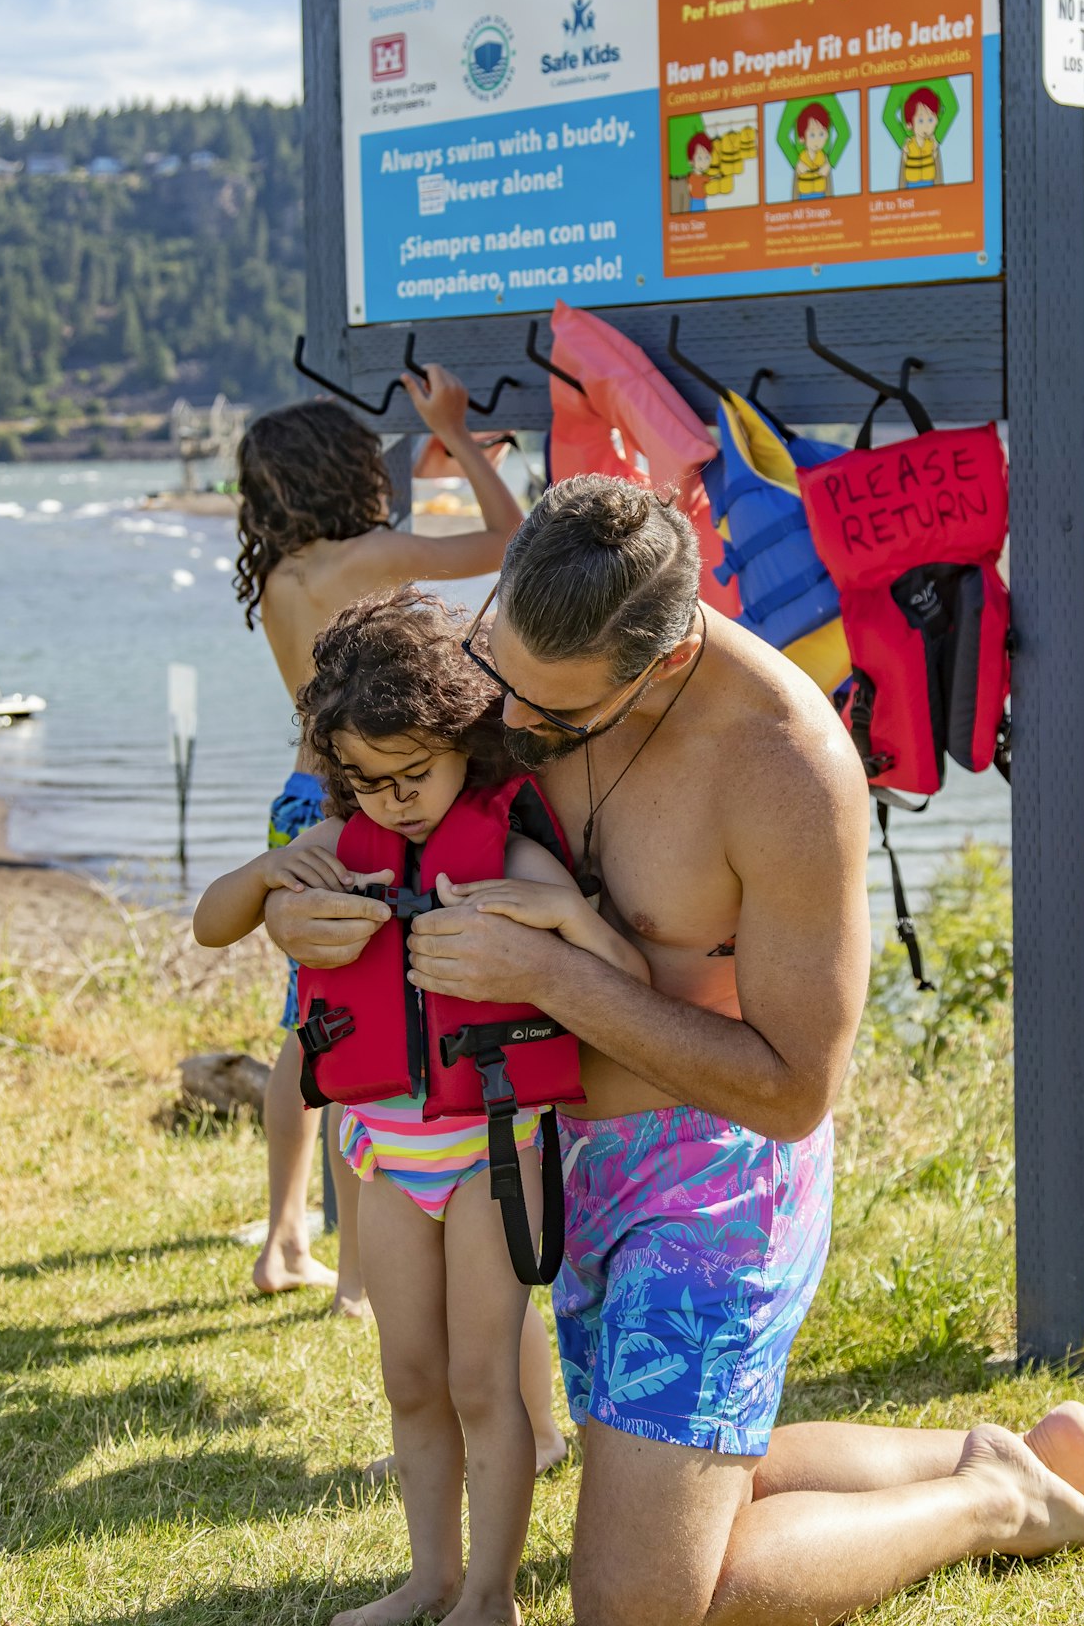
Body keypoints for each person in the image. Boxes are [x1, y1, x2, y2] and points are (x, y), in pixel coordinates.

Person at [270, 475, 1084, 1626]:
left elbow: (791, 1087)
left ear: (659, 665)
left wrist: (554, 975)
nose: (506, 726)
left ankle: (994, 1494)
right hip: (556, 1154)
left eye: (553, 717)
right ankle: (1024, 1446)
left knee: (633, 1602)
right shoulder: (523, 672)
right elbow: (371, 814)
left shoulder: (783, 765)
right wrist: (294, 907)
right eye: (498, 672)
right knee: (680, 1490)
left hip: (710, 1183)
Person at [198, 588, 647, 1626]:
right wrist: (271, 869)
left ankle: (489, 1595)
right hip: (381, 1154)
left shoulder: (513, 858)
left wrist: (567, 918)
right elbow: (211, 920)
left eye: (416, 774)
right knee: (409, 1377)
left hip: (493, 1149)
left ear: (466, 743)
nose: (395, 801)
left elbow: (625, 984)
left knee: (484, 1378)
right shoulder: (334, 846)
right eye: (368, 780)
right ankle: (430, 1577)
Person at [233, 364, 525, 1311]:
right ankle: (358, 1272)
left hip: (298, 798)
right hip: (359, 810)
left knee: (309, 1029)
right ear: (346, 473)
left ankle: (286, 1236)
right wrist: (460, 435)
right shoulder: (366, 561)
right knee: (368, 1034)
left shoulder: (285, 577)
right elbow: (508, 540)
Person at [898, 84, 944, 189]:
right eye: (921, 120)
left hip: (930, 186)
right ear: (909, 124)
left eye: (931, 120)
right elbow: (902, 174)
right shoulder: (908, 146)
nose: (926, 126)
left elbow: (938, 172)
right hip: (911, 189)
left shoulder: (933, 145)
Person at [792, 100, 835, 200]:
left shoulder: (823, 158)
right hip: (803, 198)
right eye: (812, 135)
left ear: (826, 135)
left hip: (821, 197)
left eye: (821, 134)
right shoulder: (801, 159)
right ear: (802, 138)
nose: (817, 140)